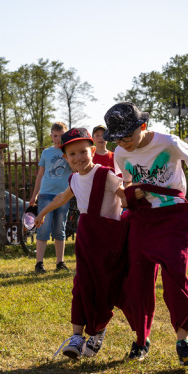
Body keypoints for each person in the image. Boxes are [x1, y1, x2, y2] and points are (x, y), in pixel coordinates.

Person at [104, 102, 188, 365]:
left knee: (176, 276)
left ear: (143, 126)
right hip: (142, 218)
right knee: (139, 279)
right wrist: (131, 193)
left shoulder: (168, 142)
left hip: (174, 216)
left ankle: (184, 342)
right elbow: (127, 182)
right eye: (117, 138)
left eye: (127, 136)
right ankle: (141, 340)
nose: (123, 143)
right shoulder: (120, 152)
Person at [36, 128, 127, 361]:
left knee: (103, 288)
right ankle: (76, 337)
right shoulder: (74, 179)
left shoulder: (105, 174)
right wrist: (42, 213)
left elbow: (123, 195)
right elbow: (61, 198)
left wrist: (132, 191)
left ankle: (98, 330)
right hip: (87, 240)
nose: (78, 158)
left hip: (108, 240)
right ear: (65, 158)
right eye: (72, 154)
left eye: (83, 152)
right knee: (81, 286)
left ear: (93, 151)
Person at [29, 122, 73, 273]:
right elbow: (40, 175)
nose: (58, 139)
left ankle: (60, 262)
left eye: (61, 136)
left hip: (63, 195)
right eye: (55, 136)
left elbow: (75, 169)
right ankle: (39, 263)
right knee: (43, 227)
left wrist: (67, 157)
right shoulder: (46, 153)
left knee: (60, 229)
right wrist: (34, 195)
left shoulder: (69, 151)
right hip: (46, 194)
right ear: (51, 136)